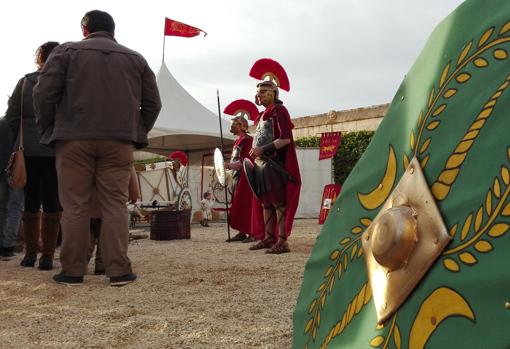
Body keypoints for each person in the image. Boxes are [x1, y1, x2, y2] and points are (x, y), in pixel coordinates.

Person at [33, 10, 161, 286]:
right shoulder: (135, 59)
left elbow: (43, 93)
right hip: (118, 140)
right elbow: (153, 104)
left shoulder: (66, 52)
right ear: (113, 31)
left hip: (73, 138)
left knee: (75, 205)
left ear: (84, 30)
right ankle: (118, 270)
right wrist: (136, 133)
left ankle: (72, 270)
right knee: (114, 203)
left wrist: (49, 127)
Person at [5, 41, 61, 270]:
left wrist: (21, 139)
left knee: (30, 201)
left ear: (40, 57)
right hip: (56, 149)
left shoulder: (25, 82)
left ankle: (29, 254)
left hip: (28, 149)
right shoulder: (64, 83)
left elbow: (11, 115)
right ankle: (47, 256)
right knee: (52, 202)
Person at [246, 80, 301, 254]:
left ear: (274, 93)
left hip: (275, 163)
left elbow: (285, 139)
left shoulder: (279, 111)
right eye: (258, 92)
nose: (259, 95)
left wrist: (262, 149)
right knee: (266, 203)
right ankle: (269, 237)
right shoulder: (263, 115)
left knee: (278, 203)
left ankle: (282, 241)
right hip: (262, 163)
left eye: (263, 91)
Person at [223, 115, 264, 242]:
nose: (231, 127)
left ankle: (252, 233)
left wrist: (229, 165)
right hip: (237, 176)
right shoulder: (237, 141)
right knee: (238, 205)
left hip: (246, 177)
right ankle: (242, 232)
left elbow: (245, 161)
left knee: (247, 205)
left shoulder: (247, 141)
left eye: (233, 125)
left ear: (241, 126)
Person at [0, 117, 24, 260]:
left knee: (2, 207)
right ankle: (8, 246)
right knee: (16, 206)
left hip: (1, 168)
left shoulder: (2, 122)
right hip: (16, 169)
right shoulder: (22, 126)